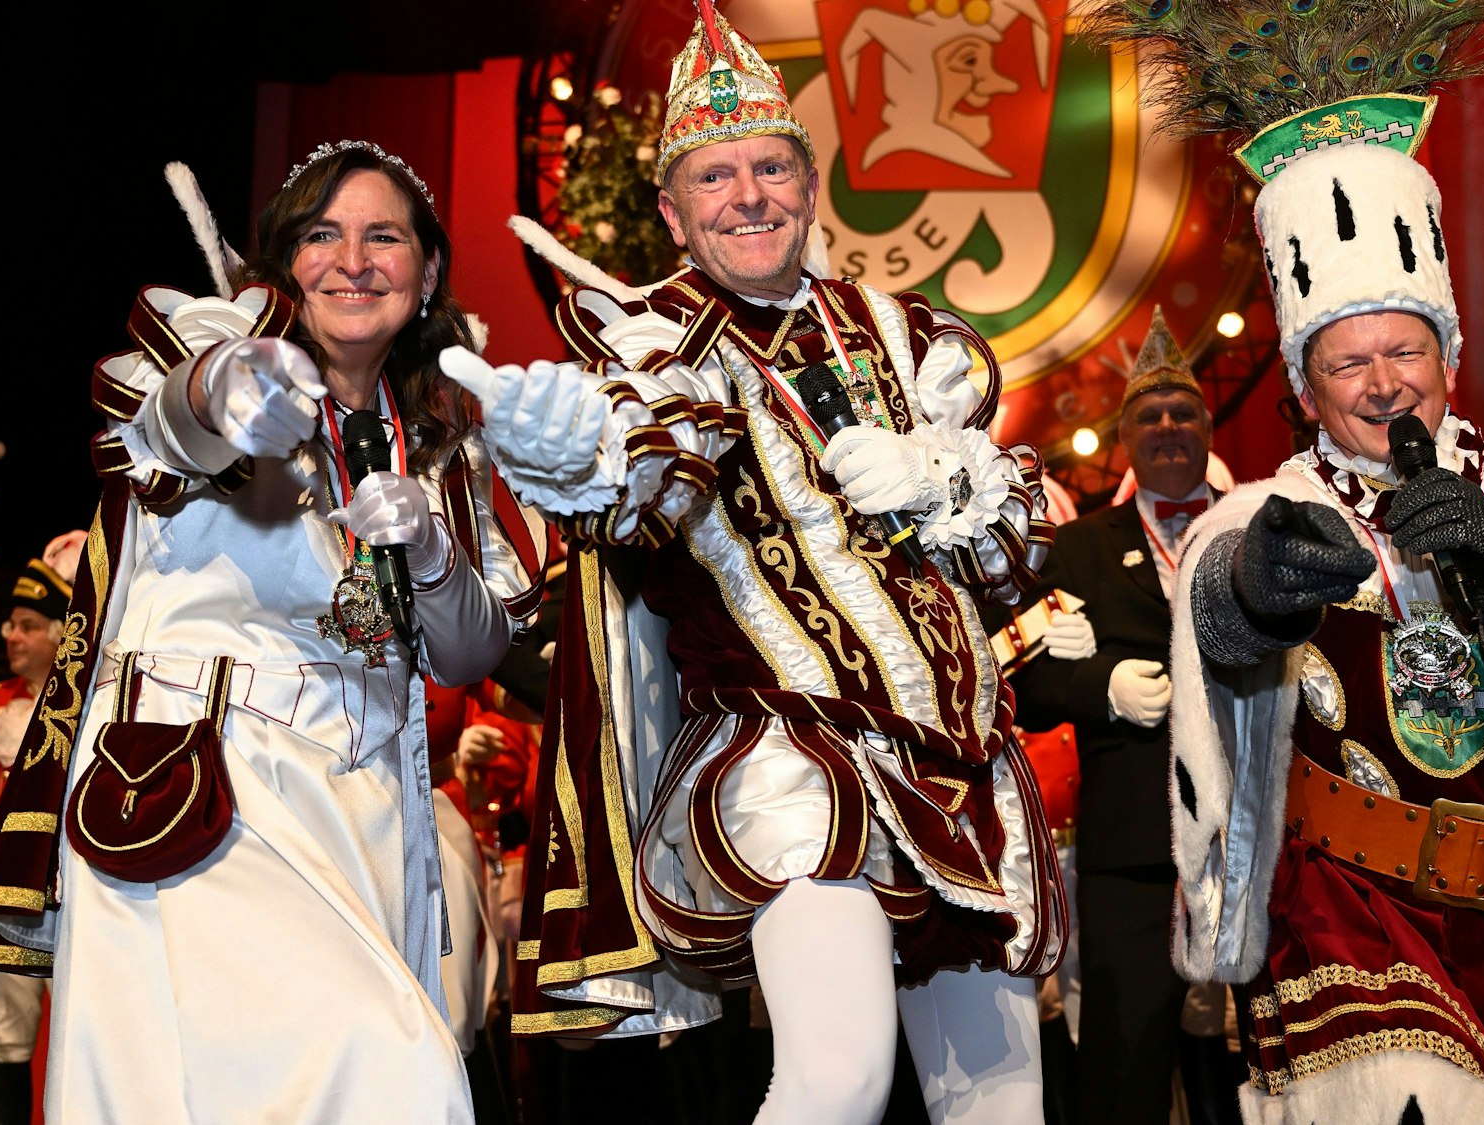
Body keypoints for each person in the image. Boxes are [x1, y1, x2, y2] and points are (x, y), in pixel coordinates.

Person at [1090, 3, 1484, 1119]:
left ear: (1449, 350)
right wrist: (1262, 590)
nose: (1381, 386)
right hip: (1345, 929)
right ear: (1298, 384)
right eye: (1344, 363)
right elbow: (1219, 623)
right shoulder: (1268, 511)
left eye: (1403, 350)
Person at [443, 6, 1065, 1121]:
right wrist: (572, 456)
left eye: (771, 166)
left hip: (959, 763)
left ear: (811, 183)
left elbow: (1014, 562)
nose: (749, 196)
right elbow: (646, 493)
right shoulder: (649, 341)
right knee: (837, 1078)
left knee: (1002, 1105)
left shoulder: (905, 333)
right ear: (675, 215)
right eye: (715, 177)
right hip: (792, 761)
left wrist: (946, 484)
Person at [0, 141, 544, 1123]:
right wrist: (225, 391)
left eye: (383, 236)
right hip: (211, 800)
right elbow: (174, 426)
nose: (354, 260)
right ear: (281, 264)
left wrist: (432, 556)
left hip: (366, 815)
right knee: (403, 1083)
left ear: (427, 271)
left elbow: (473, 653)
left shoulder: (439, 443)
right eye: (322, 235)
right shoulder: (215, 355)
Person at [1006, 308, 1214, 1124]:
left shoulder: (1259, 524)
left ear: (1204, 429)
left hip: (1259, 838)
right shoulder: (1079, 548)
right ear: (1124, 436)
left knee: (1272, 1051)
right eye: (1149, 417)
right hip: (1132, 843)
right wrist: (1100, 686)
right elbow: (1017, 680)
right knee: (1126, 1055)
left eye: (1183, 413)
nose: (1167, 427)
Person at [0, 530, 86, 1124]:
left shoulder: (94, 704)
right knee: (3, 1036)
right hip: (1, 890)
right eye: (10, 624)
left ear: (63, 635)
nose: (11, 636)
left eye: (27, 625)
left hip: (72, 893)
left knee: (81, 1024)